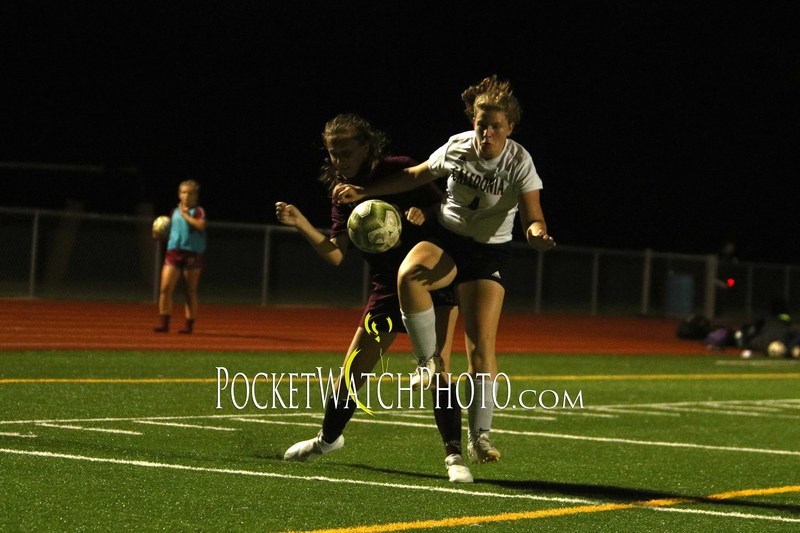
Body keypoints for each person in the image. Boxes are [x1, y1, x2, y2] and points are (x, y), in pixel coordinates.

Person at [334, 76, 556, 464]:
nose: (486, 133)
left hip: (488, 253)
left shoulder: (520, 162)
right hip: (448, 240)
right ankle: (427, 361)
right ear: (473, 120)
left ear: (510, 128)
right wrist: (366, 192)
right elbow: (416, 175)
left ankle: (480, 437)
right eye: (480, 124)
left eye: (495, 126)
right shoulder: (458, 146)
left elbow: (532, 215)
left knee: (480, 348)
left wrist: (537, 234)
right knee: (409, 275)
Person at [276, 114, 472, 483]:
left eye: (346, 151)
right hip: (386, 288)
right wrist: (300, 221)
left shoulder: (398, 170)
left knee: (438, 370)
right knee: (353, 370)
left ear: (366, 146)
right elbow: (336, 254)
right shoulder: (341, 192)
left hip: (430, 282)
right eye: (333, 153)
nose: (339, 160)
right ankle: (327, 439)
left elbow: (450, 209)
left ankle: (454, 457)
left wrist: (424, 212)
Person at [153, 179, 207, 334]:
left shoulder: (198, 211)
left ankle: (189, 325)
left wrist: (186, 215)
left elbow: (200, 226)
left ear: (195, 196)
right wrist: (158, 233)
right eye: (183, 192)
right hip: (174, 252)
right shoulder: (174, 212)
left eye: (190, 193)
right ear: (179, 194)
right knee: (165, 288)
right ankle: (164, 324)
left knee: (189, 291)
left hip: (192, 254)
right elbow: (173, 231)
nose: (186, 196)